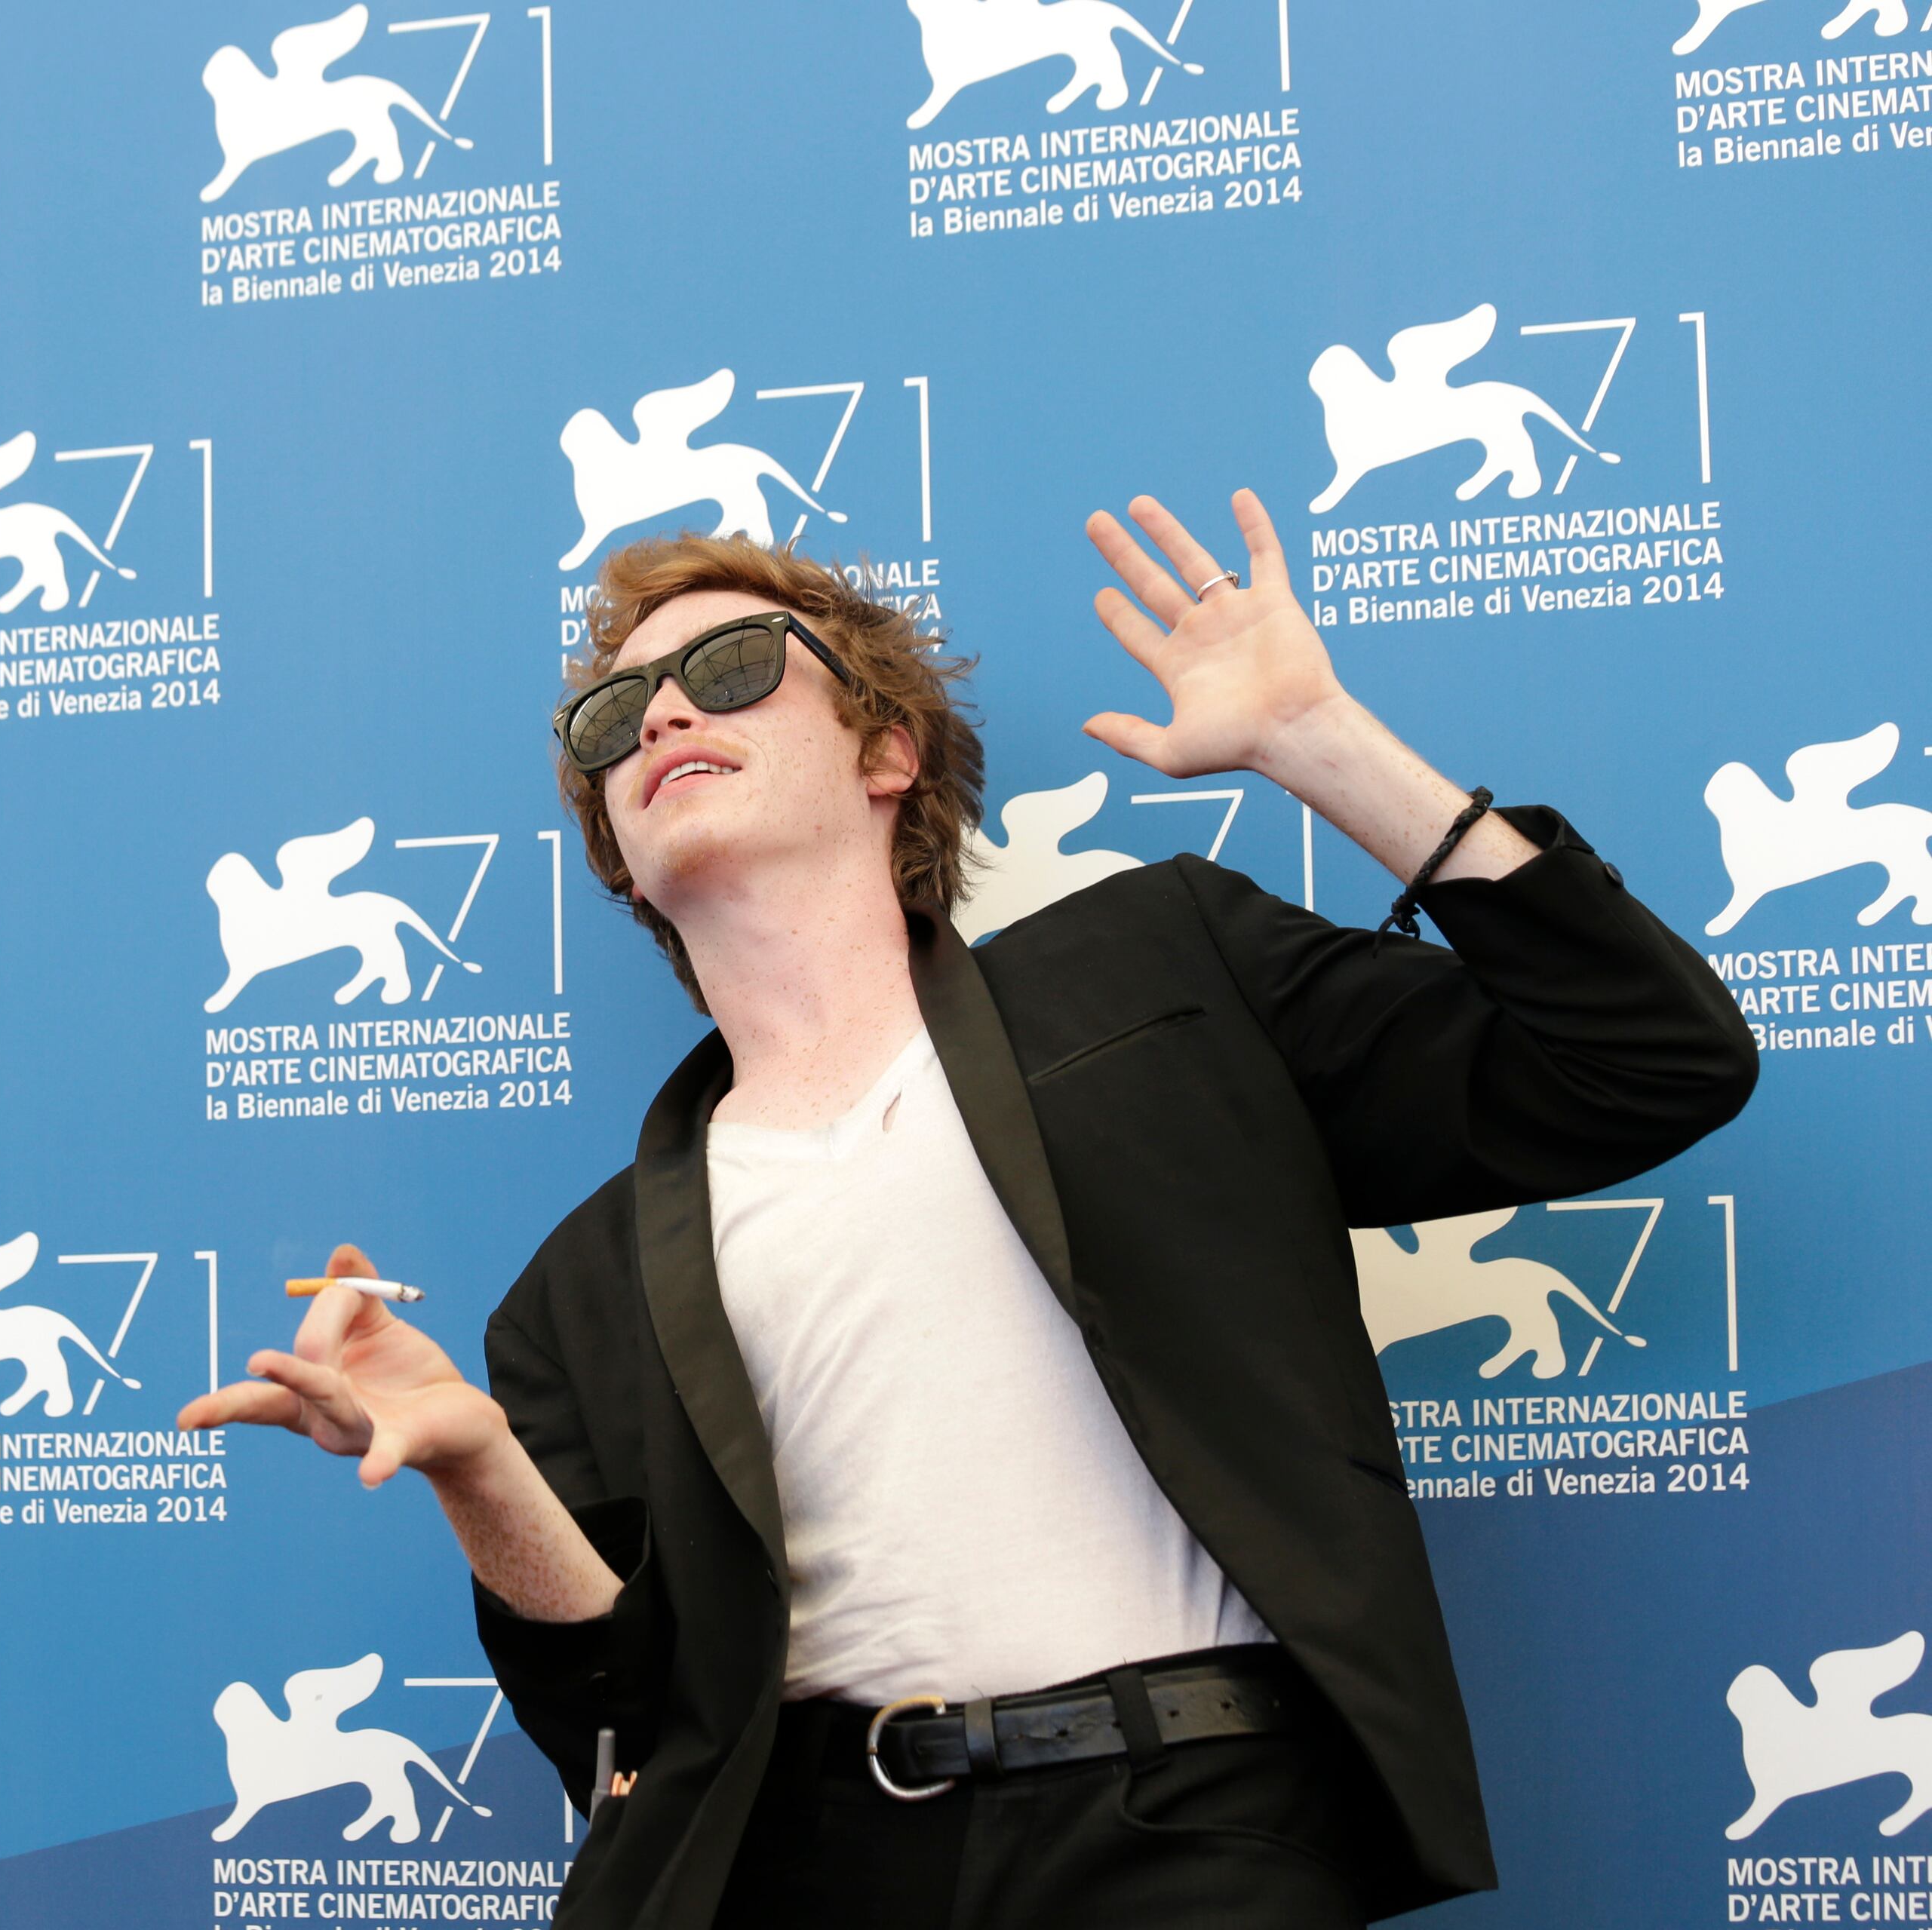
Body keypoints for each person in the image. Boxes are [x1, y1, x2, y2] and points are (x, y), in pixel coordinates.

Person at [179, 490, 1755, 1928]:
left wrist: (1319, 739)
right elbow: (629, 1709)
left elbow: (1642, 1059)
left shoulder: (1163, 971)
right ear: (620, 860)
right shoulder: (577, 1284)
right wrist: (471, 1463)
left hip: (1188, 1831)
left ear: (887, 754)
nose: (659, 708)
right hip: (799, 1873)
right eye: (612, 713)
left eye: (731, 667)